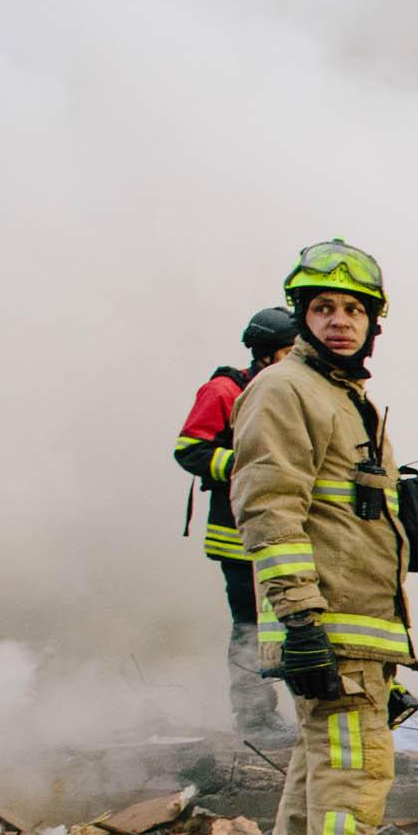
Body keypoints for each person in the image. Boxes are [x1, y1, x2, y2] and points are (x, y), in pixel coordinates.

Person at [234, 240, 411, 835]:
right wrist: (303, 621)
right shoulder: (285, 388)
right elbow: (269, 508)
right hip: (327, 623)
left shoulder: (340, 396)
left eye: (354, 311)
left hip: (355, 627)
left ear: (372, 324)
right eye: (324, 308)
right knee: (354, 779)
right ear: (303, 317)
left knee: (320, 774)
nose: (340, 321)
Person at [173, 307, 300, 738]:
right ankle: (255, 716)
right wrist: (248, 465)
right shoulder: (225, 390)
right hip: (238, 535)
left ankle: (300, 710)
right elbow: (190, 449)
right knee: (251, 625)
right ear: (265, 354)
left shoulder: (292, 392)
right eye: (289, 351)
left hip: (288, 532)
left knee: (294, 621)